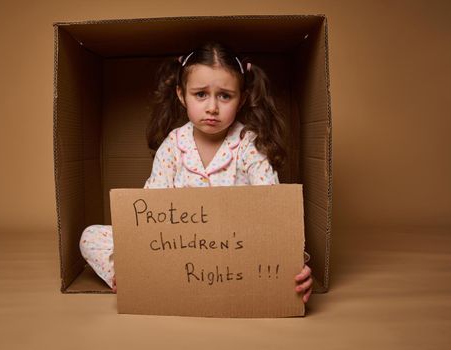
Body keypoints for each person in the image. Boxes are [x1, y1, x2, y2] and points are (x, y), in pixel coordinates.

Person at [80, 42, 313, 303]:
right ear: (182, 95)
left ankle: (200, 280)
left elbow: (274, 212)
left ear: (242, 98)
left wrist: (295, 262)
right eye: (201, 94)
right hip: (177, 250)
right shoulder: (173, 145)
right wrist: (136, 256)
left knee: (272, 249)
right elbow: (149, 209)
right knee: (91, 237)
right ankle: (132, 278)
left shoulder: (249, 145)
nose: (212, 107)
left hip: (234, 251)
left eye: (225, 96)